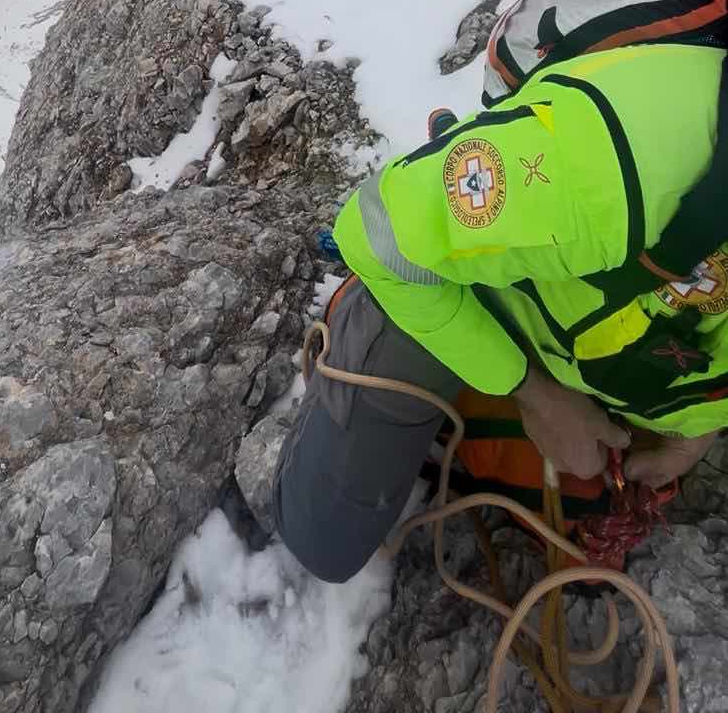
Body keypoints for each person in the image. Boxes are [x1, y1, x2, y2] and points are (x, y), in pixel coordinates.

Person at [274, 42, 728, 584]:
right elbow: (378, 233)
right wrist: (537, 396)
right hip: (469, 286)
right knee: (324, 539)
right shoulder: (628, 164)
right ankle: (374, 318)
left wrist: (691, 433)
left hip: (603, 340)